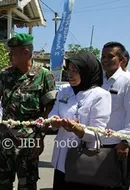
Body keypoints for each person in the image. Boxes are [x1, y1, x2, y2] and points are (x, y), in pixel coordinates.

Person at [0, 33, 56, 190]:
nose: (9, 55)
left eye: (13, 52)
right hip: (6, 139)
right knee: (2, 182)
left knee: (27, 184)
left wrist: (40, 137)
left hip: (29, 140)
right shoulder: (5, 74)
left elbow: (50, 109)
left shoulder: (44, 76)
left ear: (25, 52)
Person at [48, 52, 111, 190]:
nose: (70, 74)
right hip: (61, 158)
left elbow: (98, 132)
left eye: (75, 71)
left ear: (87, 71)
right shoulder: (64, 90)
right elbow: (53, 113)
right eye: (69, 70)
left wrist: (77, 129)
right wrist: (54, 121)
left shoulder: (100, 95)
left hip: (82, 161)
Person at [100, 42, 130, 190]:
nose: (105, 60)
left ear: (122, 60)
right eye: (103, 56)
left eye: (110, 57)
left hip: (117, 146)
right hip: (98, 143)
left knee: (118, 186)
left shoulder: (127, 81)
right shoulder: (99, 81)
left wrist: (125, 141)